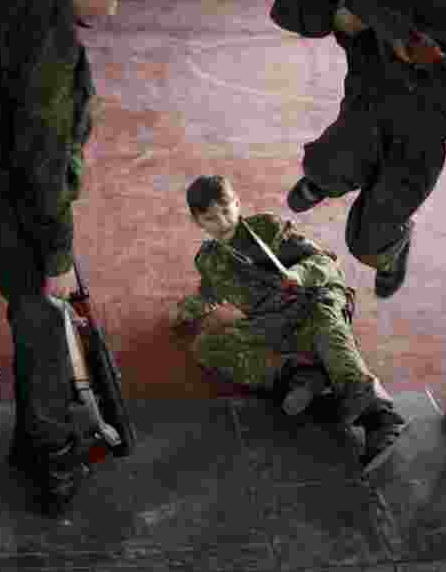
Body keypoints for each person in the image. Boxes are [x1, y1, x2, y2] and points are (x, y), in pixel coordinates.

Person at [0, 0, 151, 515]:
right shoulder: (45, 26)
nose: (113, 10)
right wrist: (56, 255)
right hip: (0, 199)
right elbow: (39, 153)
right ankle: (50, 460)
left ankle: (35, 444)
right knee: (44, 317)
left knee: (47, 314)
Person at [270, 0, 446, 298]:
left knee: (368, 238)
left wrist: (437, 48)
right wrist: (335, 15)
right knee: (331, 161)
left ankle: (394, 250)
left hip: (421, 136)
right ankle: (321, 183)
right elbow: (283, 8)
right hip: (364, 118)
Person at [168, 175, 410, 473]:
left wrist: (299, 274)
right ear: (197, 222)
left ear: (237, 204)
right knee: (208, 347)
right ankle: (300, 375)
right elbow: (210, 292)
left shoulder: (267, 230)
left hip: (313, 297)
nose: (222, 221)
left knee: (328, 334)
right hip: (273, 319)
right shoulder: (210, 260)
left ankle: (380, 419)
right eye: (211, 218)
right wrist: (187, 311)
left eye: (226, 210)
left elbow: (326, 263)